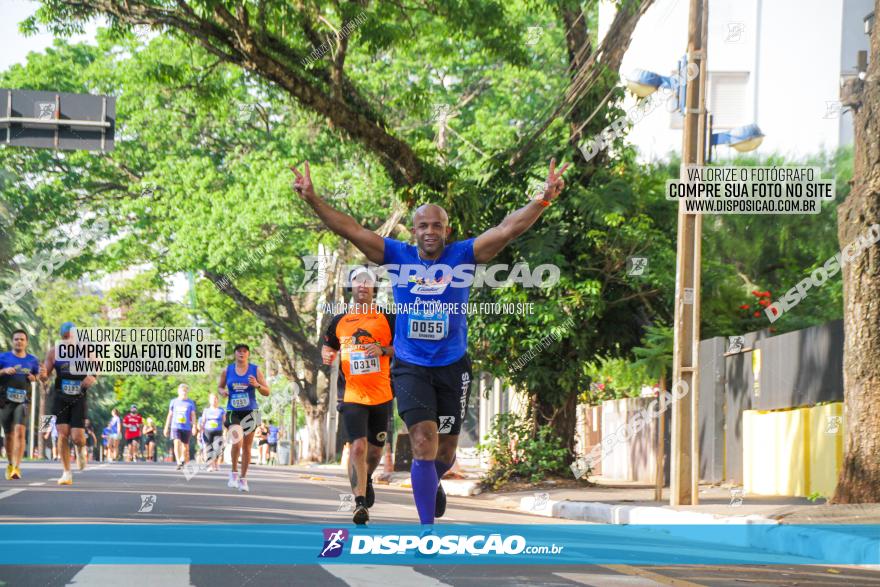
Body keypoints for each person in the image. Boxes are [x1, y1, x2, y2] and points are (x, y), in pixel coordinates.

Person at [293, 158, 568, 528]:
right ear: (414, 231)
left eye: (437, 225)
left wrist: (542, 201)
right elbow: (352, 230)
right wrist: (313, 198)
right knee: (423, 441)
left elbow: (506, 230)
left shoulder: (463, 255)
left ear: (446, 230)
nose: (430, 231)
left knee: (445, 452)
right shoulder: (397, 256)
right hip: (410, 365)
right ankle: (427, 530)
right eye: (423, 225)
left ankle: (433, 479)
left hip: (453, 365)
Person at [322, 266, 395, 525]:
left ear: (374, 288)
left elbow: (405, 349)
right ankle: (359, 503)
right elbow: (328, 345)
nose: (363, 285)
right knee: (358, 446)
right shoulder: (339, 321)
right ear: (351, 287)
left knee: (374, 453)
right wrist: (327, 354)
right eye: (357, 281)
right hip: (351, 395)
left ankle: (367, 478)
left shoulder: (387, 317)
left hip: (382, 395)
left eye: (368, 282)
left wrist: (384, 350)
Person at [39, 322, 98, 485]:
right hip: (60, 397)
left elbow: (96, 365)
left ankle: (80, 449)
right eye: (64, 337)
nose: (67, 340)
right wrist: (42, 375)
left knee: (78, 437)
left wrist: (92, 376)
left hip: (79, 398)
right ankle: (66, 473)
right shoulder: (54, 352)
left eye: (70, 336)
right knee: (63, 434)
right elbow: (45, 375)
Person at [217, 344, 270, 492]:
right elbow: (220, 387)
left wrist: (257, 385)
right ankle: (234, 473)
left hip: (251, 411)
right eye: (239, 351)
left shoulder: (255, 370)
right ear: (235, 354)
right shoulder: (227, 370)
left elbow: (267, 392)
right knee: (237, 442)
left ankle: (243, 478)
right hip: (233, 411)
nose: (241, 354)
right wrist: (222, 392)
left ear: (248, 354)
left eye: (244, 351)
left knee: (247, 447)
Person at [0, 329, 44, 480]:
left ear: (26, 342)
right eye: (16, 339)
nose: (19, 341)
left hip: (23, 400)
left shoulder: (32, 360)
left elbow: (40, 377)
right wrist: (4, 371)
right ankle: (11, 463)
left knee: (20, 431)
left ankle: (17, 467)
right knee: (9, 435)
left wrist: (35, 377)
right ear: (13, 341)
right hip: (5, 401)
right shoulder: (3, 357)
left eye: (22, 339)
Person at [163, 384, 197, 470]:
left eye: (185, 391)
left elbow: (193, 415)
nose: (184, 392)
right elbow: (170, 415)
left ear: (187, 392)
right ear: (179, 391)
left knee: (185, 447)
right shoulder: (174, 402)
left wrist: (194, 426)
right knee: (176, 442)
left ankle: (182, 458)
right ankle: (178, 461)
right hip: (175, 426)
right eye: (182, 390)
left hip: (186, 427)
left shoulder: (190, 403)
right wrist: (166, 427)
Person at [199, 394, 225, 471]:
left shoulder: (221, 410)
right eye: (212, 399)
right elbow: (203, 421)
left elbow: (224, 422)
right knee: (208, 448)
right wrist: (200, 431)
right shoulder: (206, 410)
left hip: (218, 431)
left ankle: (216, 463)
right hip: (207, 431)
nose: (214, 400)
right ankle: (211, 465)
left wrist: (225, 432)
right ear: (209, 401)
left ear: (217, 400)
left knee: (217, 448)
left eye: (215, 399)